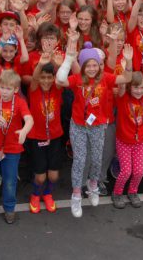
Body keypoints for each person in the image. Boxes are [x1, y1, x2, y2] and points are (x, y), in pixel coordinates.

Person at [56, 36, 131, 218]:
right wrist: (68, 59)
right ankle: (76, 195)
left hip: (98, 126)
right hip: (79, 126)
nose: (91, 69)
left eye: (94, 65)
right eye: (87, 65)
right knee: (80, 160)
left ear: (99, 65)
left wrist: (128, 61)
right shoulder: (77, 79)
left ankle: (93, 185)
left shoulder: (106, 78)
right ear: (82, 66)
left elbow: (126, 78)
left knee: (97, 158)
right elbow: (60, 80)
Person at [0, 70, 33, 224]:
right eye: (2, 87)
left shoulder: (20, 102)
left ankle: (9, 208)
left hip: (12, 148)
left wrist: (24, 131)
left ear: (15, 89)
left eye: (8, 88)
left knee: (10, 179)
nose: (4, 91)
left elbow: (29, 119)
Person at [111, 70, 143, 209]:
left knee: (139, 171)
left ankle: (132, 192)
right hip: (124, 141)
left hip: (139, 141)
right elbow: (121, 87)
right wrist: (125, 67)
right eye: (135, 87)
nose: (139, 91)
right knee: (126, 171)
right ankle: (117, 193)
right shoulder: (123, 98)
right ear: (129, 87)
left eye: (141, 87)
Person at [25, 61, 64, 214]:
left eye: (49, 77)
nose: (46, 81)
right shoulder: (34, 90)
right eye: (43, 77)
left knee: (53, 176)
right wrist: (40, 64)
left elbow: (61, 77)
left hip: (55, 137)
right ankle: (35, 194)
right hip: (37, 137)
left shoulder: (56, 89)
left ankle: (47, 193)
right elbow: (34, 78)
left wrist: (60, 65)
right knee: (40, 177)